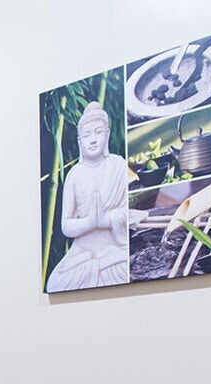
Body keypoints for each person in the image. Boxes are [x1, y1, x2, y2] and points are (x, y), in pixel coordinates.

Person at [44, 102, 130, 292]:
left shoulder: (117, 165)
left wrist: (106, 220)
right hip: (81, 253)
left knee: (127, 271)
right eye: (86, 135)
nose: (92, 140)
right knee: (55, 284)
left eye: (98, 132)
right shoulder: (74, 174)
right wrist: (91, 222)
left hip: (113, 249)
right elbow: (66, 225)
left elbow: (127, 210)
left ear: (107, 135)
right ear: (79, 141)